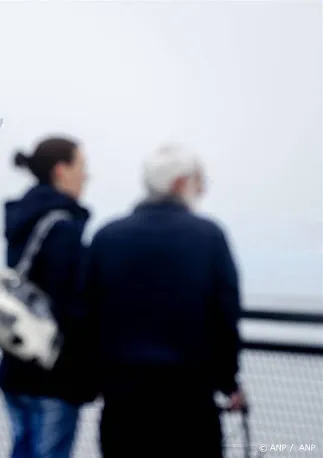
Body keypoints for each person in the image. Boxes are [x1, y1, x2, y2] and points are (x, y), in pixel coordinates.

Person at [85, 144, 246, 458]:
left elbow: (86, 317)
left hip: (122, 405)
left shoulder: (107, 237)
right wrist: (229, 382)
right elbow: (225, 316)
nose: (201, 191)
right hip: (190, 403)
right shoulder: (209, 237)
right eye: (199, 182)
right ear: (179, 183)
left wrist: (95, 381)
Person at [0, 136, 96, 458]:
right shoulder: (62, 228)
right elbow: (70, 307)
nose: (87, 176)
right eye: (81, 167)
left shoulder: (25, 220)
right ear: (61, 170)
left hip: (16, 365)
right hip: (52, 377)